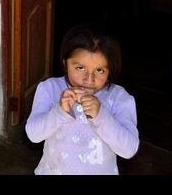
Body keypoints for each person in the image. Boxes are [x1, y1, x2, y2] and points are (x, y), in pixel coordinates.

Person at [25, 24, 139, 174]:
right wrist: (59, 111)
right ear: (65, 63)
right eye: (80, 68)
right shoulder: (50, 89)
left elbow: (129, 149)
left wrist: (101, 115)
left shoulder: (119, 98)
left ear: (110, 70)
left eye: (99, 70)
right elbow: (33, 135)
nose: (89, 79)